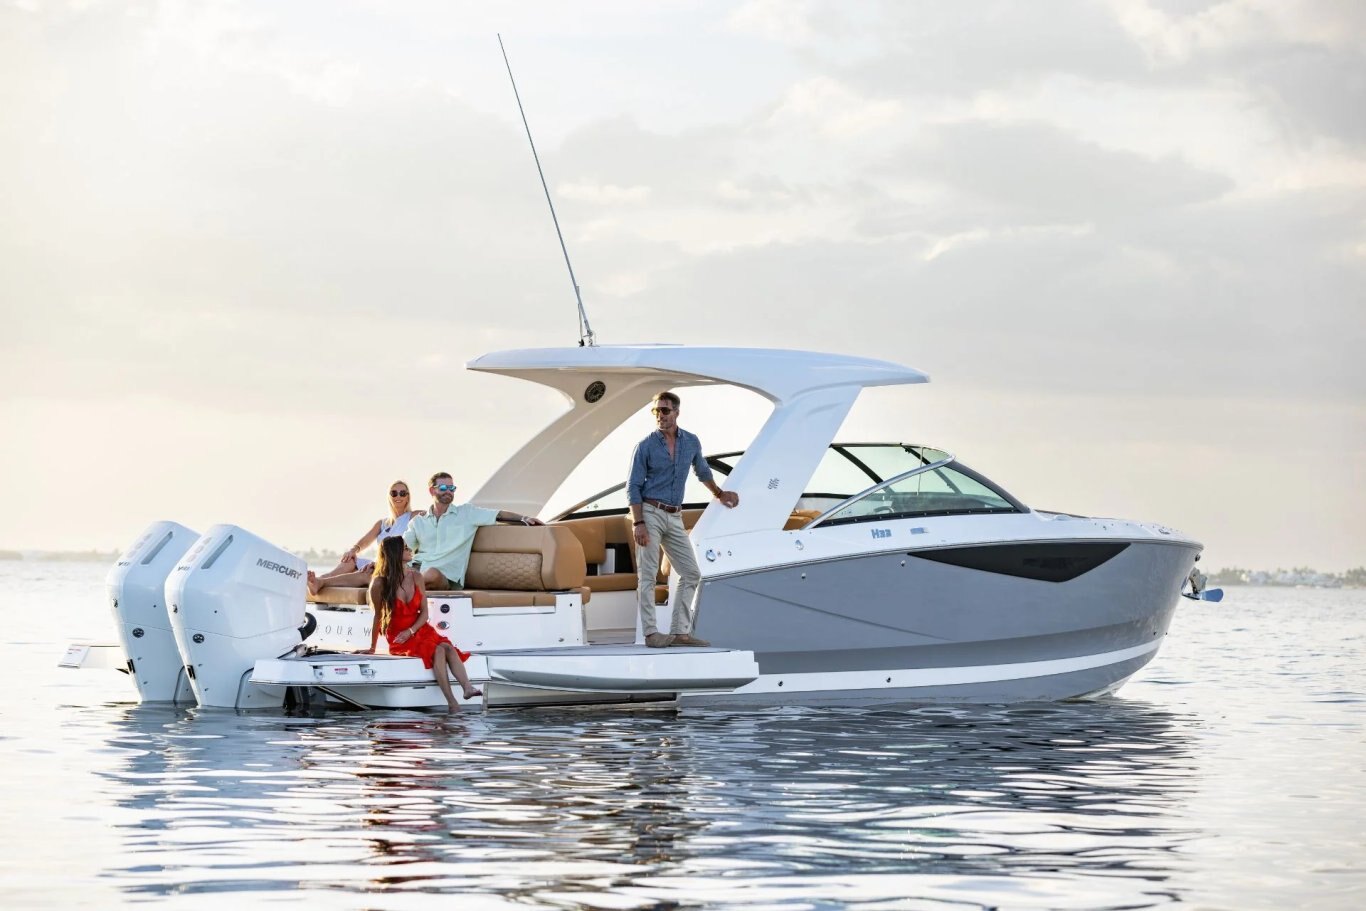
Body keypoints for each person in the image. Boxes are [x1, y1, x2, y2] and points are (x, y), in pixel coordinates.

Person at [628, 391, 739, 648]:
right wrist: (638, 522)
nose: (660, 415)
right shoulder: (645, 446)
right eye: (656, 411)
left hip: (675, 516)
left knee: (692, 573)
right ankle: (651, 634)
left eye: (665, 410)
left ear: (677, 412)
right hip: (650, 513)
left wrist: (719, 494)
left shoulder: (691, 441)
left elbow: (702, 471)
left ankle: (680, 633)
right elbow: (633, 486)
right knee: (648, 575)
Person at [359, 535, 481, 712]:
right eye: (405, 548)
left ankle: (467, 688)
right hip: (399, 636)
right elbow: (377, 616)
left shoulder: (416, 576)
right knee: (439, 649)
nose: (410, 550)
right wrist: (372, 647)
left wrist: (411, 630)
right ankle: (452, 702)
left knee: (446, 647)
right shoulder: (379, 583)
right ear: (395, 553)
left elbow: (425, 613)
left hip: (419, 629)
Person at [403, 471, 545, 590]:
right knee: (393, 575)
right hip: (415, 569)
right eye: (443, 487)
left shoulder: (467, 513)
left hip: (444, 577)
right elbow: (401, 548)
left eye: (452, 488)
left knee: (431, 574)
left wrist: (524, 518)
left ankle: (404, 588)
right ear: (432, 490)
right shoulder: (418, 521)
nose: (448, 491)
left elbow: (498, 514)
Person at [308, 480, 425, 595]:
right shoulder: (382, 523)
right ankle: (320, 579)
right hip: (379, 562)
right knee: (351, 560)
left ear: (408, 497)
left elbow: (431, 515)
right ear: (389, 497)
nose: (398, 496)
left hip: (396, 565)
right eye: (394, 493)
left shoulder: (414, 516)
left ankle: (321, 582)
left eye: (402, 493)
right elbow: (366, 540)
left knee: (366, 573)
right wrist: (353, 550)